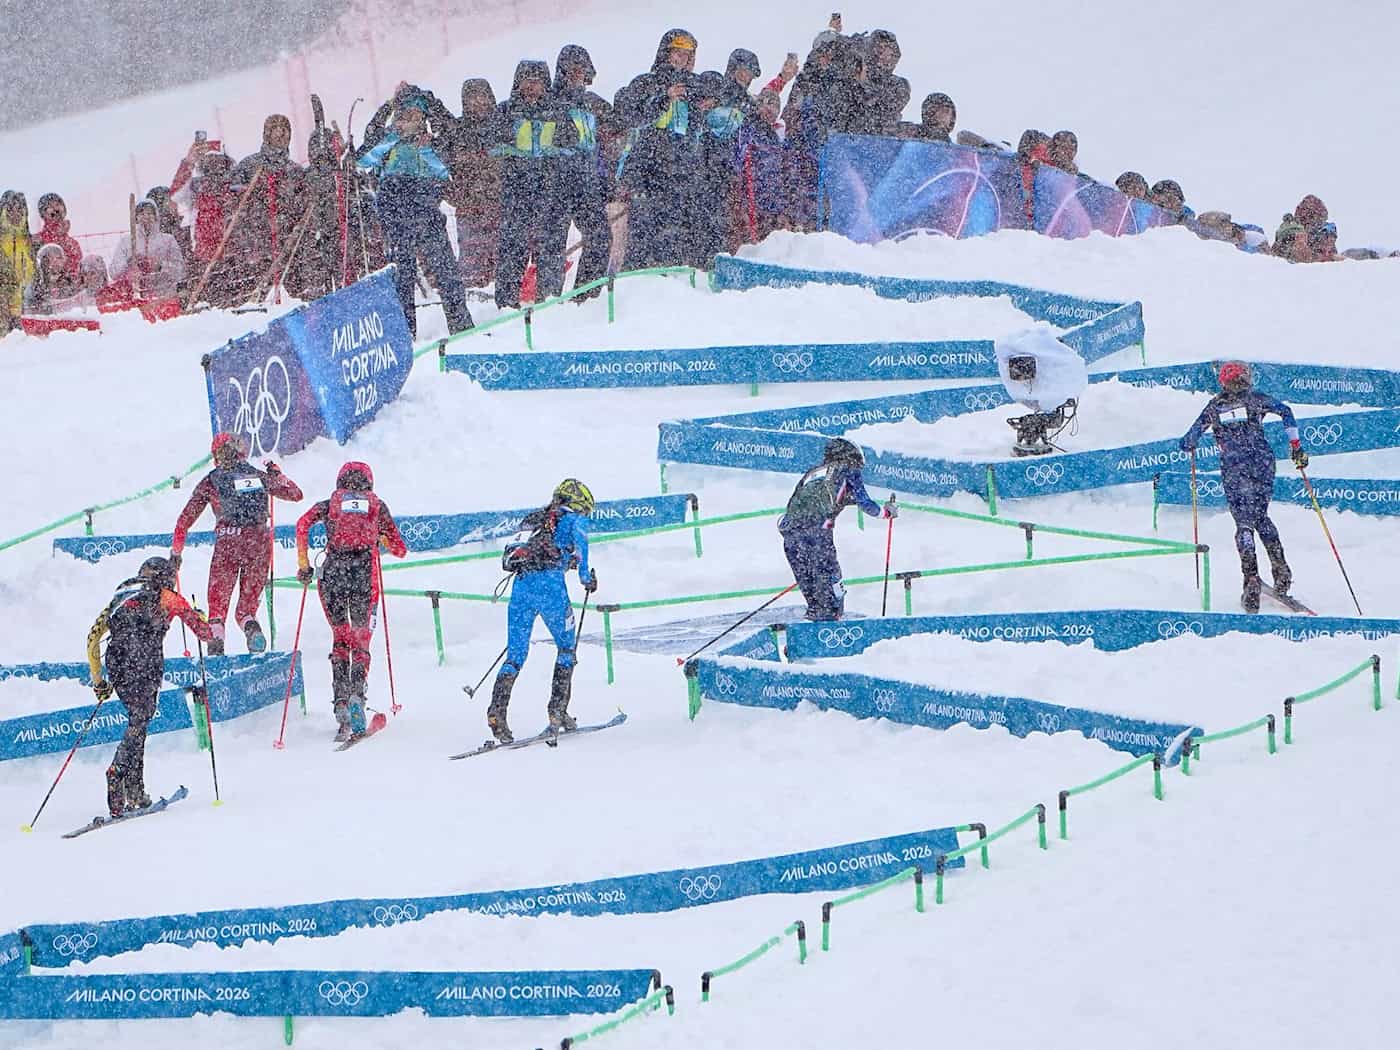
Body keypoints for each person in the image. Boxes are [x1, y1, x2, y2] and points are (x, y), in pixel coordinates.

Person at [86, 556, 213, 817]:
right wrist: (200, 614)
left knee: (138, 721)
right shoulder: (167, 597)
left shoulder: (120, 595)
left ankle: (135, 790)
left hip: (118, 660)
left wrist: (99, 681)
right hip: (146, 660)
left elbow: (92, 639)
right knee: (140, 721)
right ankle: (117, 771)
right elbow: (204, 632)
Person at [1179, 362, 1307, 612]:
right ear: (1246, 379)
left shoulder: (1215, 406)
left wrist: (1188, 443)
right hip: (1262, 463)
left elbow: (1189, 440)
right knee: (1260, 516)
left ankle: (1250, 578)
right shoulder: (1256, 398)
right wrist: (1296, 446)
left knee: (1244, 524)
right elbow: (1286, 412)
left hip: (1234, 469)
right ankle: (1281, 570)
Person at [295, 462, 408, 741]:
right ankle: (357, 694)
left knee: (340, 637)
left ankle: (341, 704)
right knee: (360, 640)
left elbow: (302, 524)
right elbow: (400, 549)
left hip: (332, 574)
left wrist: (304, 564)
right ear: (369, 481)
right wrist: (379, 537)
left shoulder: (329, 504)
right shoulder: (376, 506)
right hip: (363, 577)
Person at [171, 432, 303, 656]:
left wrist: (176, 553)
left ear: (216, 454)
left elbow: (184, 520)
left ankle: (216, 641)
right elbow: (295, 493)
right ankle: (252, 629)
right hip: (260, 542)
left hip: (228, 543)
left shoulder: (211, 480)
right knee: (245, 610)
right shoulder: (259, 476)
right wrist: (277, 474)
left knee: (218, 607)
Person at [489, 479, 598, 744]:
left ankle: (497, 712)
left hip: (521, 587)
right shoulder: (574, 521)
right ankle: (556, 712)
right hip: (551, 589)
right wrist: (586, 578)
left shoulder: (536, 519)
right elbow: (581, 550)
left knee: (515, 655)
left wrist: (563, 560)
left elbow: (539, 551)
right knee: (566, 648)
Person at [357, 93, 474, 338]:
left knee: (446, 270)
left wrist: (427, 149)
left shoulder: (430, 144)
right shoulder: (388, 142)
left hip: (426, 212)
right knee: (401, 275)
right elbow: (363, 160)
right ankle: (404, 333)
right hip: (395, 215)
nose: (406, 121)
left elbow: (445, 175)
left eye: (413, 116)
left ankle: (461, 326)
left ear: (423, 119)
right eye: (402, 116)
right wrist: (387, 114)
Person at [778, 438, 896, 621]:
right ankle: (831, 617)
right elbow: (864, 502)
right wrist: (886, 513)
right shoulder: (848, 470)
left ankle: (813, 620)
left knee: (808, 578)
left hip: (791, 534)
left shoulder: (814, 471)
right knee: (830, 576)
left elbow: (811, 498)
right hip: (817, 534)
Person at [492, 60, 578, 308]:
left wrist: (552, 162)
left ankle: (550, 300)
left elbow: (571, 143)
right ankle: (506, 304)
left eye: (537, 81)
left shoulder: (558, 111)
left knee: (551, 247)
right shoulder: (506, 111)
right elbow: (492, 144)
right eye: (527, 81)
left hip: (551, 191)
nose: (532, 86)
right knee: (512, 247)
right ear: (517, 83)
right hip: (516, 191)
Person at [614, 29, 702, 266]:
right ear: (665, 53)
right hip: (646, 173)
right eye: (677, 53)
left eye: (687, 55)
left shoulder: (692, 90)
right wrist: (664, 97)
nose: (682, 59)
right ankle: (636, 282)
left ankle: (668, 283)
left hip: (678, 174)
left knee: (673, 233)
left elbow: (693, 133)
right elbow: (631, 117)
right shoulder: (646, 83)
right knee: (643, 233)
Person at [548, 45, 615, 298]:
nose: (577, 75)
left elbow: (617, 125)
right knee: (553, 243)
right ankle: (550, 299)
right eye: (572, 70)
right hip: (556, 183)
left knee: (600, 237)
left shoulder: (592, 103)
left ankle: (586, 296)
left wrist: (606, 180)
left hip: (586, 182)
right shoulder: (550, 101)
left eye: (582, 70)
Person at [447, 78, 504, 289]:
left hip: (501, 208)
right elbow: (438, 169)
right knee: (472, 272)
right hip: (470, 213)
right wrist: (457, 196)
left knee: (505, 265)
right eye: (472, 98)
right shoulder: (456, 132)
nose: (478, 102)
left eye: (482, 96)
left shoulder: (502, 128)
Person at [108, 198, 186, 300]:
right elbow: (113, 273)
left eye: (149, 213)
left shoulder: (168, 240)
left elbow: (181, 271)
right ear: (136, 217)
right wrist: (128, 263)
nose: (146, 217)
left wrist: (160, 266)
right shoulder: (126, 241)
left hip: (164, 296)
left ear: (156, 216)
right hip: (134, 298)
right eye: (141, 214)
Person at [0, 191, 35, 319]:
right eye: (10, 209)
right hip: (4, 313)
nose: (15, 214)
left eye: (19, 209)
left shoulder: (32, 244)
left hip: (29, 313)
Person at [22, 242, 82, 313]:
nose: (55, 261)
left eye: (59, 258)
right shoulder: (34, 287)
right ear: (42, 262)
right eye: (50, 258)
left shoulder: (71, 284)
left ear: (64, 260)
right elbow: (28, 310)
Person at [34, 193, 82, 278]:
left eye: (57, 204)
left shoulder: (73, 244)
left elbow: (77, 271)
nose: (55, 209)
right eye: (50, 206)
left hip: (68, 288)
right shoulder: (38, 240)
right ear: (43, 213)